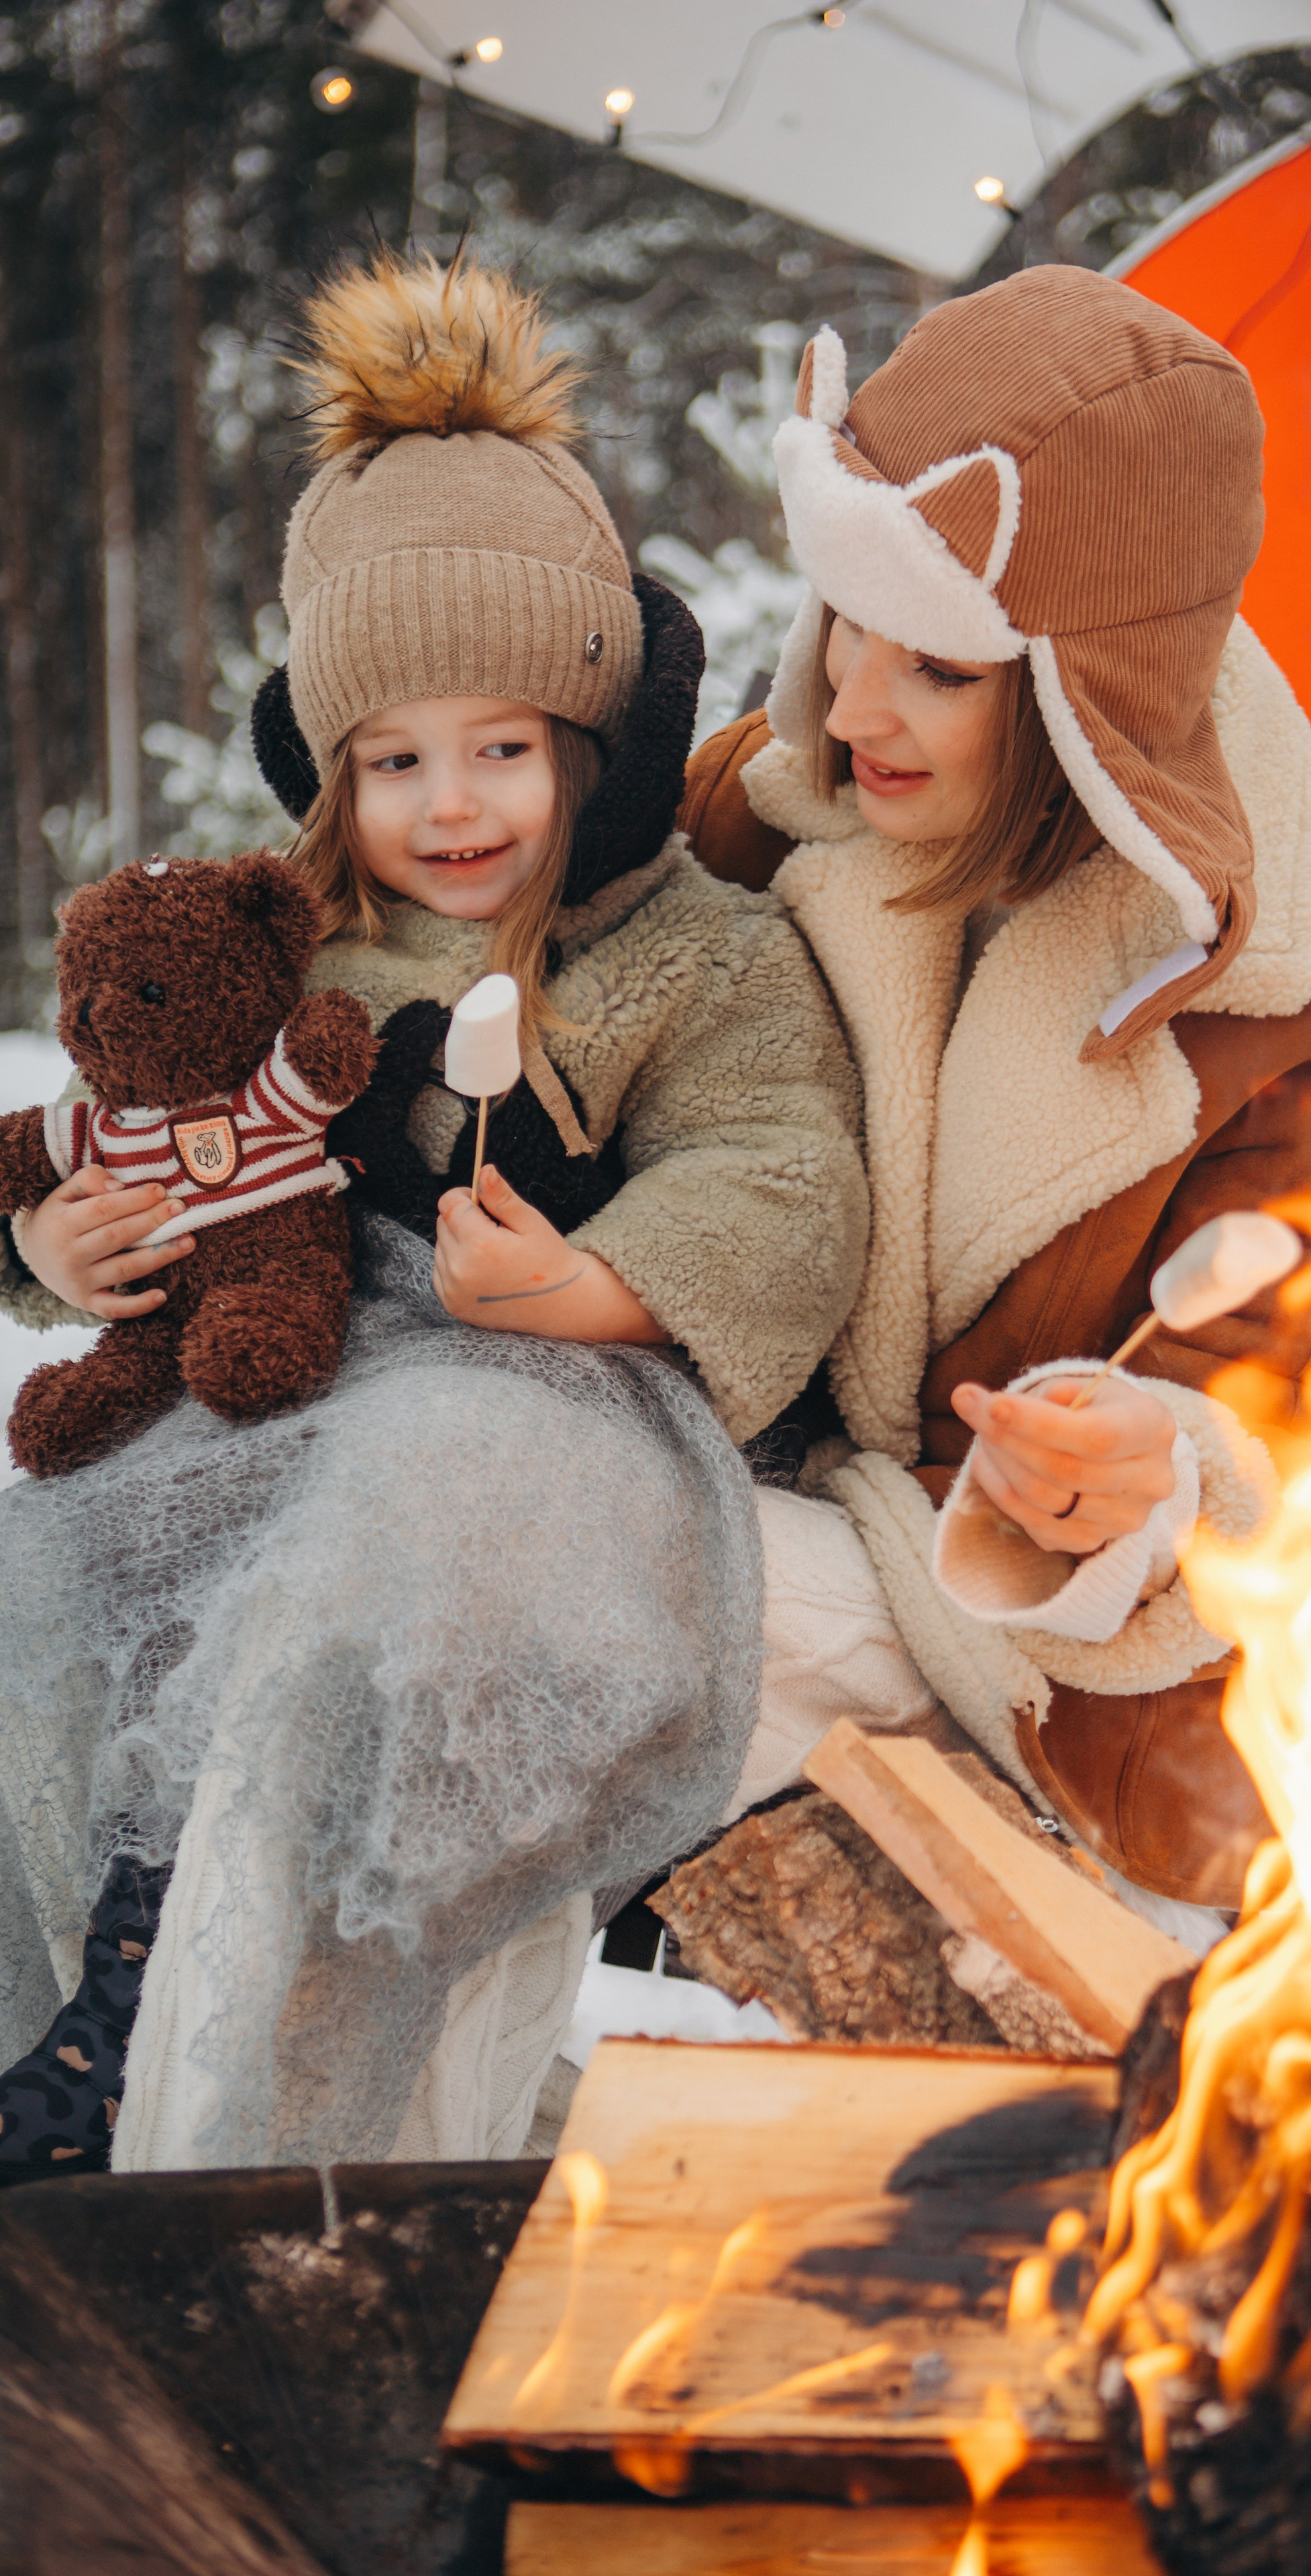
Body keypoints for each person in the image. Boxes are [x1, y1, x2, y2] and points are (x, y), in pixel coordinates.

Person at [0, 253, 868, 2179]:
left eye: (502, 746)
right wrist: (54, 1245)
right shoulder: (276, 946)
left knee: (361, 1569)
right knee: (66, 1560)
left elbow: (783, 1166)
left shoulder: (686, 957)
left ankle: (214, 2058)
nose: (452, 804)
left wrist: (605, 1277)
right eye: (394, 759)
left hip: (545, 1400)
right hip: (278, 1380)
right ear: (329, 770)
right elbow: (110, 1117)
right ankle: (86, 1975)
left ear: (591, 735)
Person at [680, 267, 1311, 1935]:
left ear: (1088, 695)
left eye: (940, 667)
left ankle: (297, 2163)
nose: (850, 709)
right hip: (764, 1511)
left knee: (609, 1604)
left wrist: (1160, 1472)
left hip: (1095, 1694)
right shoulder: (772, 813)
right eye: (843, 625)